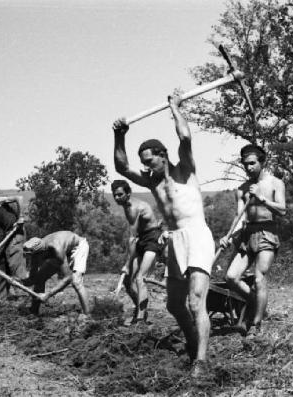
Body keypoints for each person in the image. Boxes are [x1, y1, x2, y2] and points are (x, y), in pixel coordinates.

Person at [113, 94, 215, 377]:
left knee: (196, 300)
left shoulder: (186, 170)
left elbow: (185, 138)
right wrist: (119, 135)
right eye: (144, 162)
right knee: (173, 305)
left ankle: (201, 363)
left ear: (162, 155)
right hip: (174, 239)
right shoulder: (151, 180)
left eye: (150, 161)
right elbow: (122, 167)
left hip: (197, 235)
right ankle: (194, 344)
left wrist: (175, 108)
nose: (146, 167)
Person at [219, 144, 286, 335]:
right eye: (245, 165)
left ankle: (255, 324)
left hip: (267, 233)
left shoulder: (275, 183)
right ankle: (256, 304)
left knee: (259, 279)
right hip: (247, 235)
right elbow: (239, 219)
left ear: (262, 162)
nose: (248, 168)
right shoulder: (242, 189)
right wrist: (228, 237)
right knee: (231, 277)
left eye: (252, 163)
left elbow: (282, 210)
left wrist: (261, 198)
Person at [111, 179, 163, 323]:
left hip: (153, 239)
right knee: (128, 282)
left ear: (128, 194)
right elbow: (135, 238)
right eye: (114, 195)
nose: (116, 198)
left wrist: (127, 264)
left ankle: (141, 319)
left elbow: (132, 239)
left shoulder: (134, 208)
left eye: (120, 194)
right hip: (141, 239)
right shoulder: (126, 206)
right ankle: (139, 308)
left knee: (140, 278)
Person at [22, 231, 90, 316]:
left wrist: (48, 294)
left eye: (36, 257)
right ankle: (34, 311)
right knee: (40, 278)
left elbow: (68, 278)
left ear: (42, 252)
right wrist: (23, 282)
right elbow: (33, 277)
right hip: (64, 251)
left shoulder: (56, 249)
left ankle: (87, 316)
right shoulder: (35, 249)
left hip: (78, 246)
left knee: (76, 281)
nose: (34, 259)